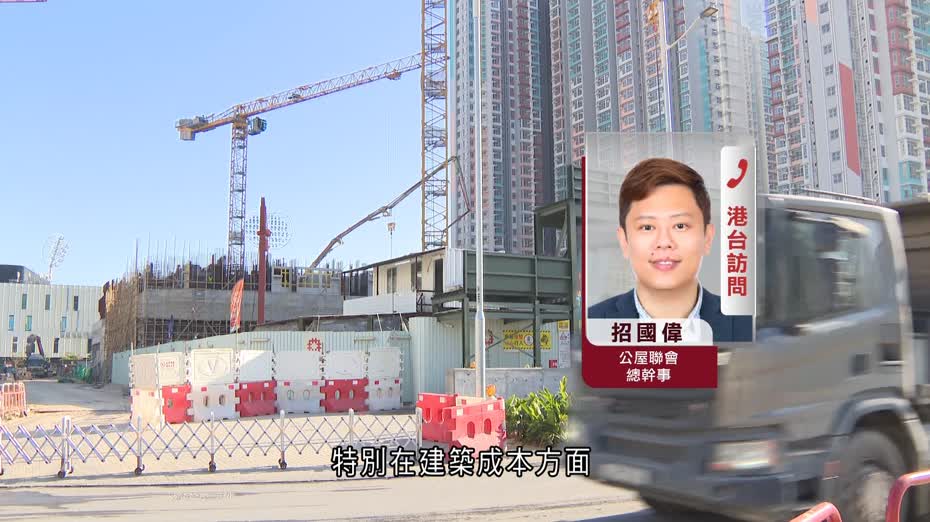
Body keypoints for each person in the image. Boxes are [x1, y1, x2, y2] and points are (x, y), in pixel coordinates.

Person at [587, 157, 753, 343]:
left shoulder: (747, 326)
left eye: (680, 226)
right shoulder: (591, 326)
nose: (664, 242)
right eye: (647, 227)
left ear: (707, 237)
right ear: (624, 241)